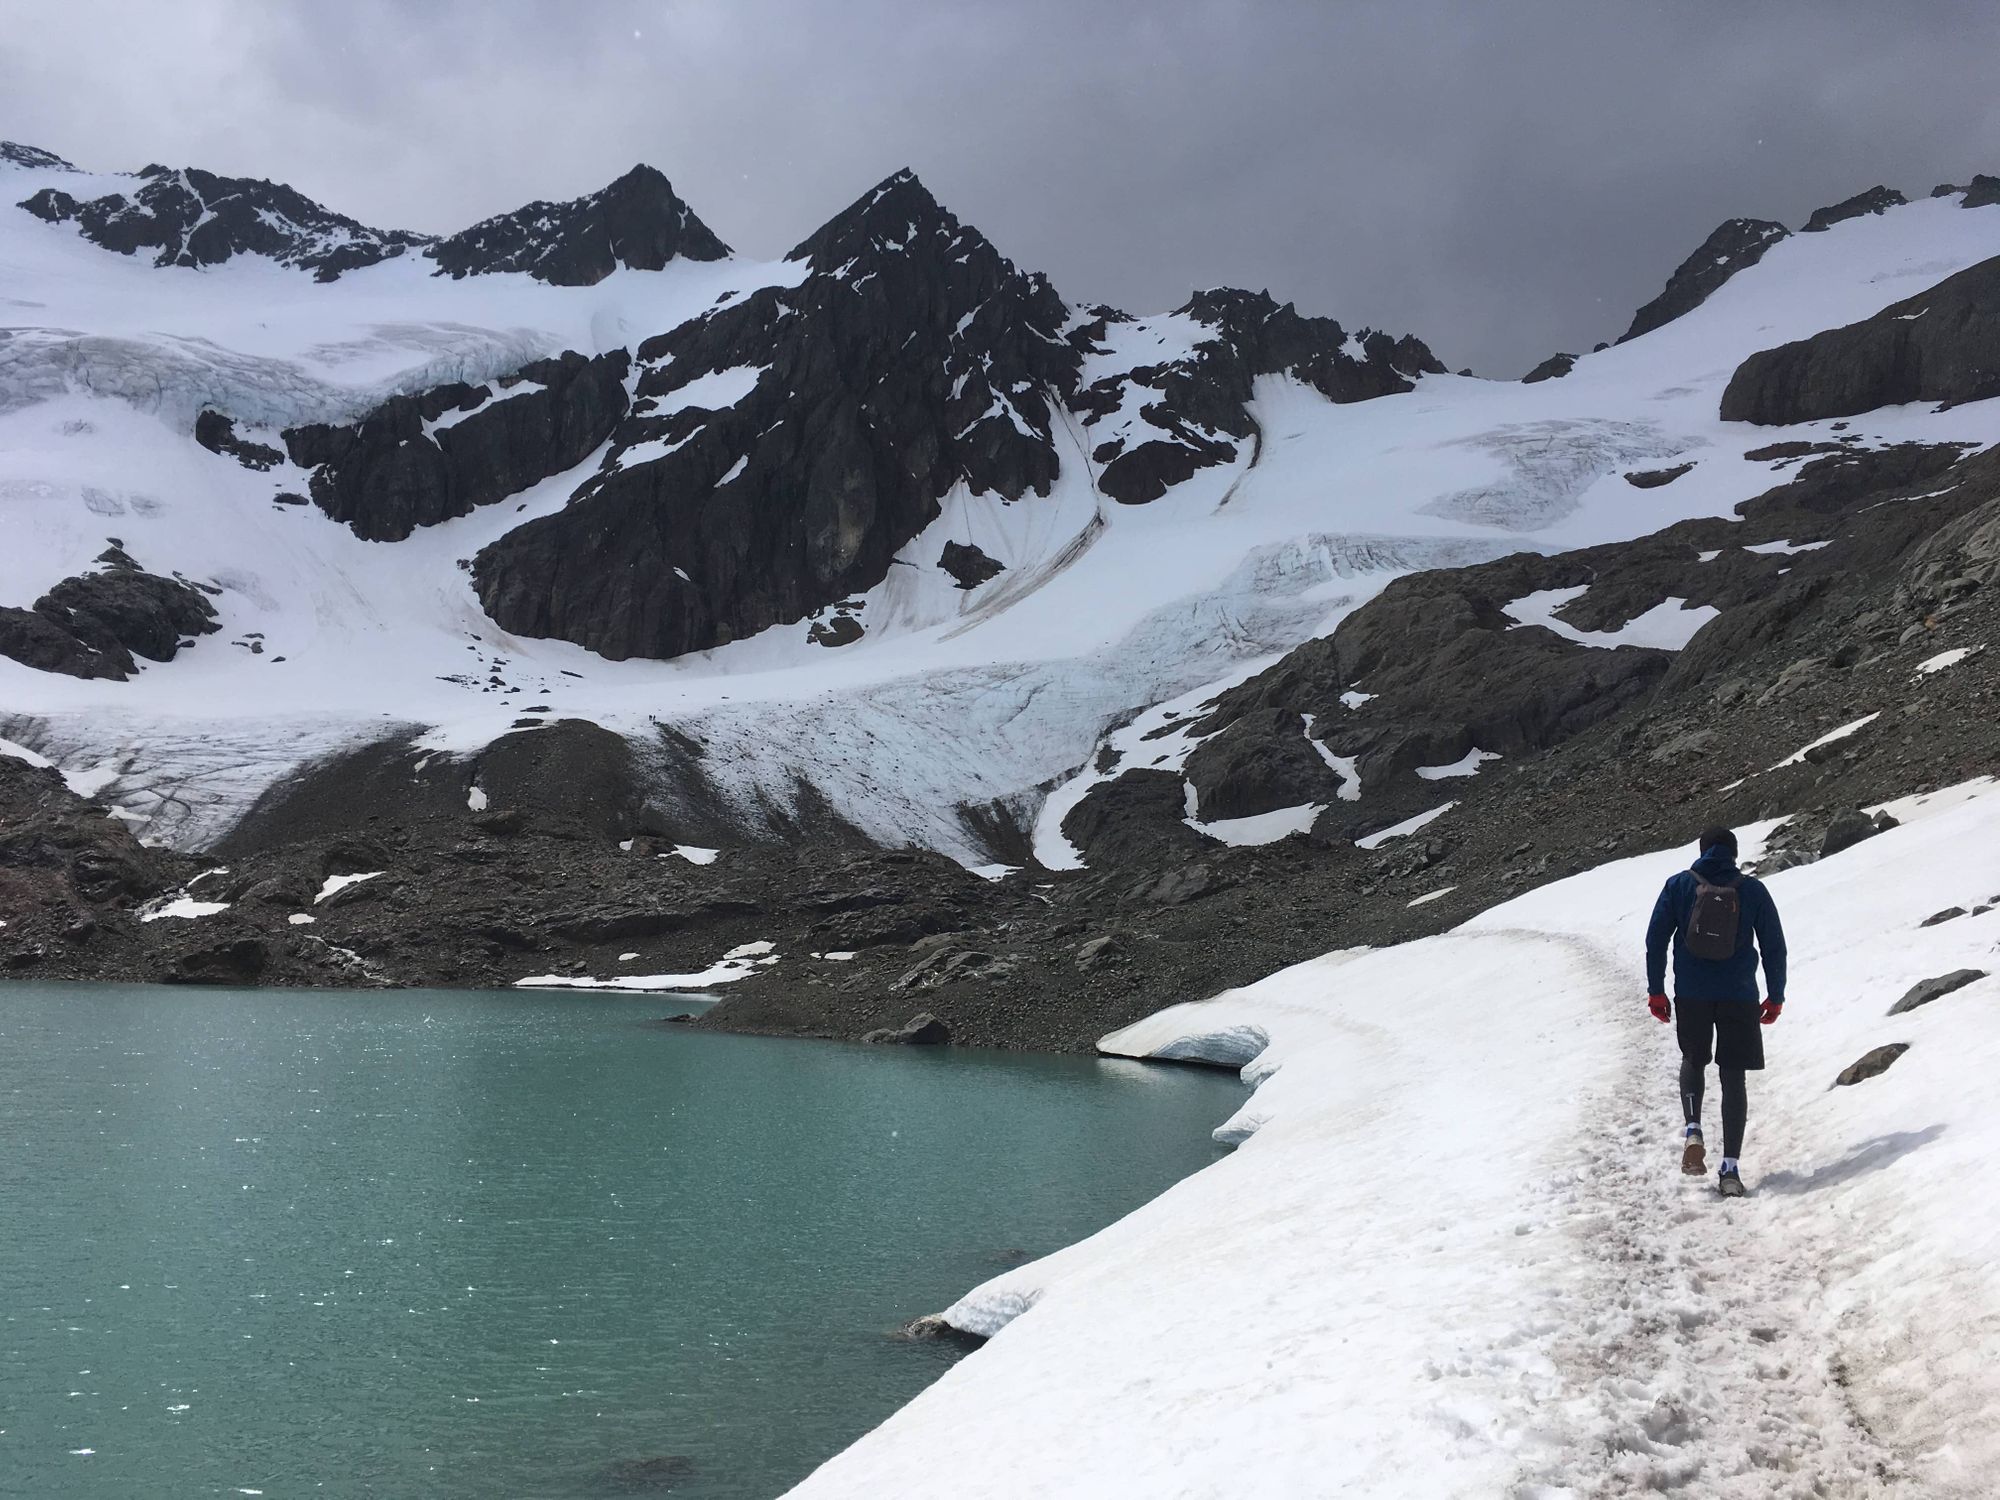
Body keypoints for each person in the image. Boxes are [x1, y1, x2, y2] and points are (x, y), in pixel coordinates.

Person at [1644, 825, 1787, 1198]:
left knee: (1694, 1059)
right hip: (1739, 993)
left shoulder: (1678, 885)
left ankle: (1693, 1129)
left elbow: (1656, 940)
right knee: (1733, 1076)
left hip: (1691, 992)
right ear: (1734, 854)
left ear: (1702, 850)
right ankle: (1731, 1170)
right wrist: (1775, 995)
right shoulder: (1752, 890)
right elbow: (1774, 945)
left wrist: (1656, 990)